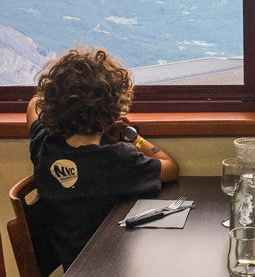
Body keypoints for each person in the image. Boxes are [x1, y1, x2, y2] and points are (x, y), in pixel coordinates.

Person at [26, 46, 180, 271]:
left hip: (75, 268)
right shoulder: (117, 159)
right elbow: (171, 168)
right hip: (112, 268)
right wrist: (133, 137)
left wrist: (59, 100)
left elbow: (34, 105)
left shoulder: (44, 146)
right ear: (112, 112)